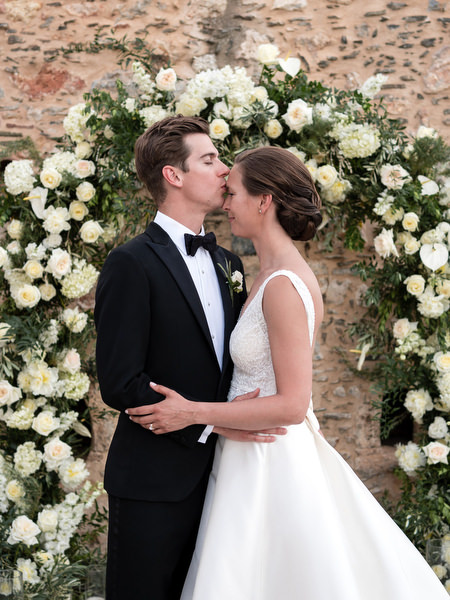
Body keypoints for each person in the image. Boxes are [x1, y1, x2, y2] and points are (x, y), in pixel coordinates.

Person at [127, 146, 448, 599]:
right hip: (244, 453)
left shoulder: (282, 286)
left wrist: (195, 412)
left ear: (264, 201)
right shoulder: (261, 275)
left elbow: (294, 405)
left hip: (270, 459)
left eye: (233, 193)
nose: (225, 202)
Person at [94, 117, 286, 600]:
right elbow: (120, 382)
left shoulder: (230, 264)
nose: (224, 170)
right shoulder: (130, 263)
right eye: (209, 159)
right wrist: (211, 423)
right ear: (172, 175)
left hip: (225, 481)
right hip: (152, 484)